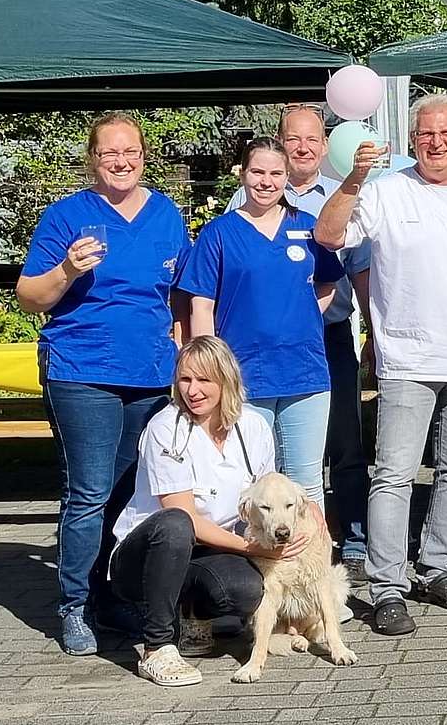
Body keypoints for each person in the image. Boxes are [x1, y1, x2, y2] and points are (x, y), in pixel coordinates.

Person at [315, 93, 447, 637]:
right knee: (395, 476)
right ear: (411, 138)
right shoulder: (384, 193)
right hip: (406, 357)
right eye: (426, 133)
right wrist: (353, 180)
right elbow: (329, 237)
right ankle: (386, 586)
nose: (437, 142)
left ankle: (436, 567)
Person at [17, 112, 189, 656]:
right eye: (109, 153)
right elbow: (29, 297)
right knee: (88, 491)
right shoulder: (67, 217)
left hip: (150, 375)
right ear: (92, 159)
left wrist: (185, 351)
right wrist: (66, 270)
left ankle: (112, 593)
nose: (121, 161)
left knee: (130, 490)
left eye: (130, 151)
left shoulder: (165, 214)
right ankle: (73, 607)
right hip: (82, 370)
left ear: (144, 155)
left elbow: (181, 295)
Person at [226, 105, 373, 581]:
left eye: (312, 140)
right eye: (293, 139)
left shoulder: (345, 195)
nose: (303, 148)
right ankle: (264, 554)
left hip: (329, 336)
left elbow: (359, 270)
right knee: (265, 452)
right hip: (263, 352)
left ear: (325, 146)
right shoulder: (248, 197)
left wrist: (370, 331)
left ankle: (351, 540)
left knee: (346, 444)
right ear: (281, 144)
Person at [108, 337, 296, 686]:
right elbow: (186, 518)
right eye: (185, 379)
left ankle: (194, 614)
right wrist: (251, 549)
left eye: (204, 380)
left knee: (244, 589)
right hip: (146, 558)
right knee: (176, 524)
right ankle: (157, 647)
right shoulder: (166, 427)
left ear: (227, 381)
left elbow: (271, 491)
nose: (193, 390)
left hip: (212, 550)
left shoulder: (253, 426)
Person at [181, 138, 343, 508]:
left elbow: (328, 284)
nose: (266, 181)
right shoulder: (218, 234)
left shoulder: (307, 226)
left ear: (287, 177)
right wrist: (210, 372)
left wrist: (297, 317)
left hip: (305, 374)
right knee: (248, 484)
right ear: (242, 174)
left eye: (275, 173)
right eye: (257, 172)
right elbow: (201, 305)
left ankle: (310, 565)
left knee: (306, 485)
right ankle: (248, 564)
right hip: (244, 377)